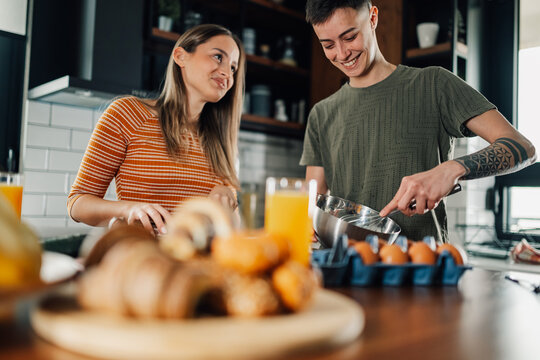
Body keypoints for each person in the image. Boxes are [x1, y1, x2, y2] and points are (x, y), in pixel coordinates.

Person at [301, 0, 536, 242]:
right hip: (345, 270)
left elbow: (523, 147)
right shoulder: (321, 114)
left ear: (372, 18)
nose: (341, 54)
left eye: (350, 37)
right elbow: (312, 207)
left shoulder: (434, 85)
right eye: (328, 45)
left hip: (423, 269)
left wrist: (452, 170)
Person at [68, 24, 245, 235]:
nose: (227, 72)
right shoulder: (128, 114)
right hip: (141, 259)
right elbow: (77, 203)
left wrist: (227, 197)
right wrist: (128, 209)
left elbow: (232, 232)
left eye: (233, 68)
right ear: (180, 56)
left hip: (196, 262)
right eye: (218, 57)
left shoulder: (220, 140)